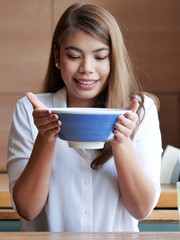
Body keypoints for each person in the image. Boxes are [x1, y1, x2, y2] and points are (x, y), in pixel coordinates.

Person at [7, 3, 162, 232]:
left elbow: (141, 209)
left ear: (114, 60)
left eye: (100, 57)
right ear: (58, 57)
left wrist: (122, 141)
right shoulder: (30, 111)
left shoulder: (141, 110)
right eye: (74, 56)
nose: (87, 68)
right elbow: (27, 209)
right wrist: (46, 138)